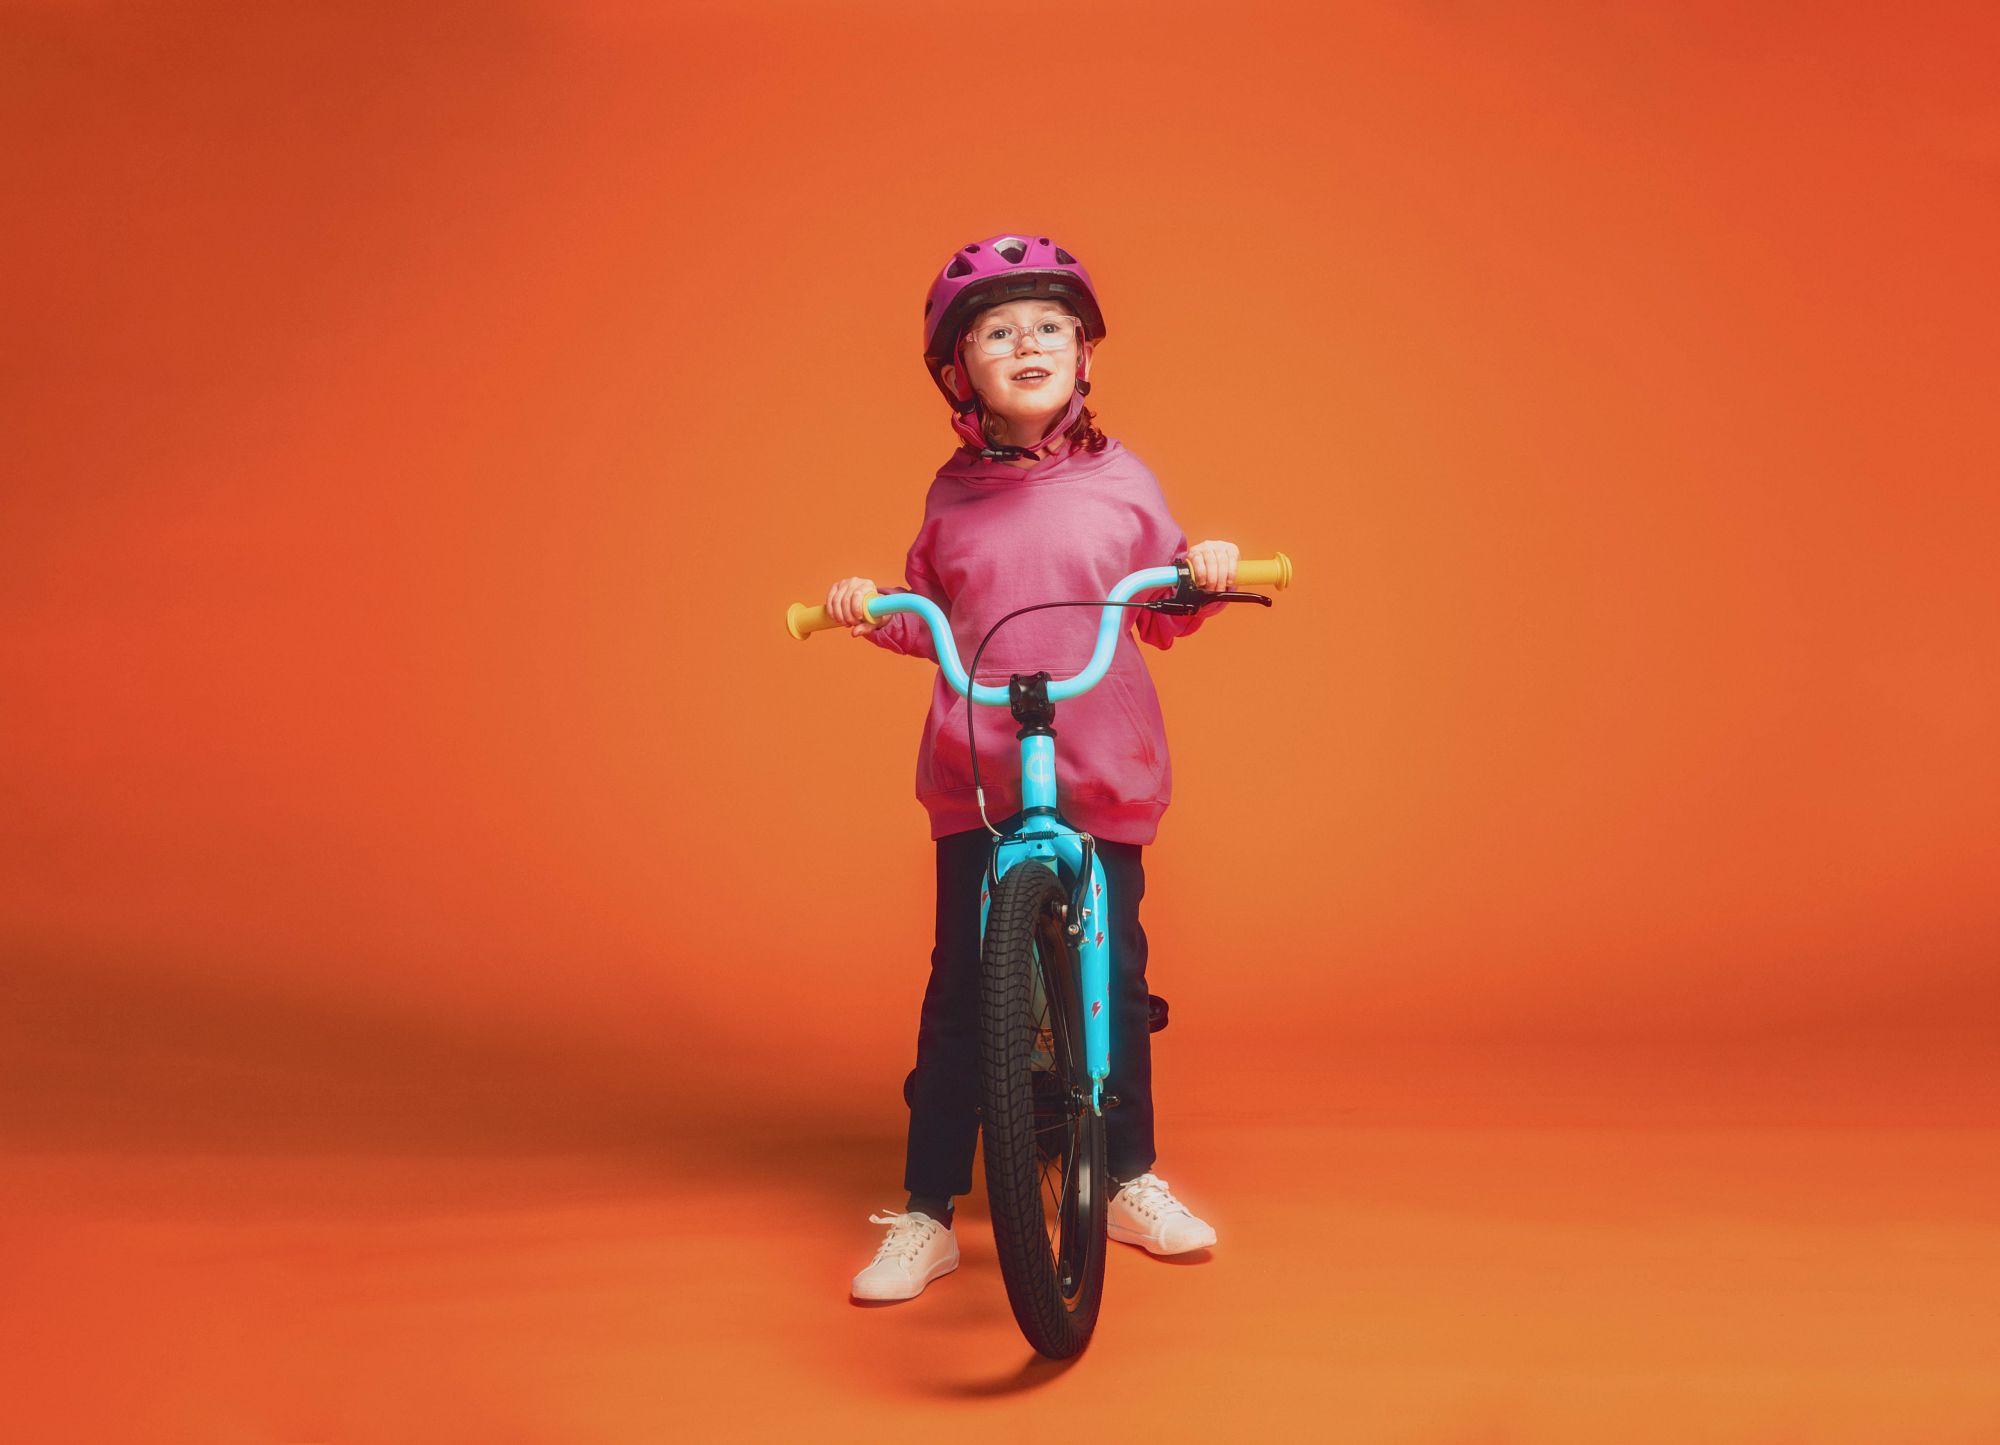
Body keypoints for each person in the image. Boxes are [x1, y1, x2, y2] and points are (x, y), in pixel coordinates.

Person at [827, 234, 1238, 1303]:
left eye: (1049, 327)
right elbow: (934, 616)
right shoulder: (950, 495)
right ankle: (925, 1210)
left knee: (1114, 974)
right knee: (961, 991)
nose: (1027, 344)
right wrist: (872, 608)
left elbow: (1164, 610)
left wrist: (1200, 573)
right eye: (998, 332)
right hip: (978, 771)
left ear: (1083, 355)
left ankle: (1126, 1174)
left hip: (1100, 764)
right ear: (958, 372)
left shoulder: (1122, 480)